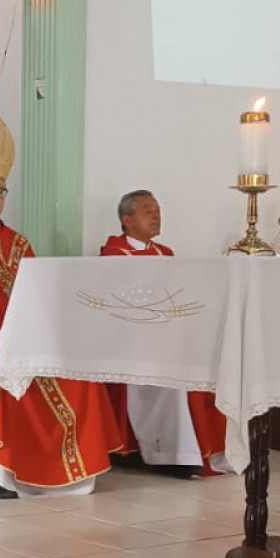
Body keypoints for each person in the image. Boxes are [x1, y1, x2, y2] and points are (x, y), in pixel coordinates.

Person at [0, 119, 118, 497]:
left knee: (75, 368)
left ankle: (75, 471)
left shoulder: (18, 243)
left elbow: (39, 296)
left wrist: (34, 331)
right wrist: (5, 333)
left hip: (19, 336)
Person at [101, 189, 228, 474]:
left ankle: (200, 448)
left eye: (157, 210)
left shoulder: (165, 253)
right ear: (126, 220)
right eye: (148, 211)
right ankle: (171, 453)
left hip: (168, 336)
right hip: (132, 341)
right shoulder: (113, 254)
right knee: (174, 376)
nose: (156, 216)